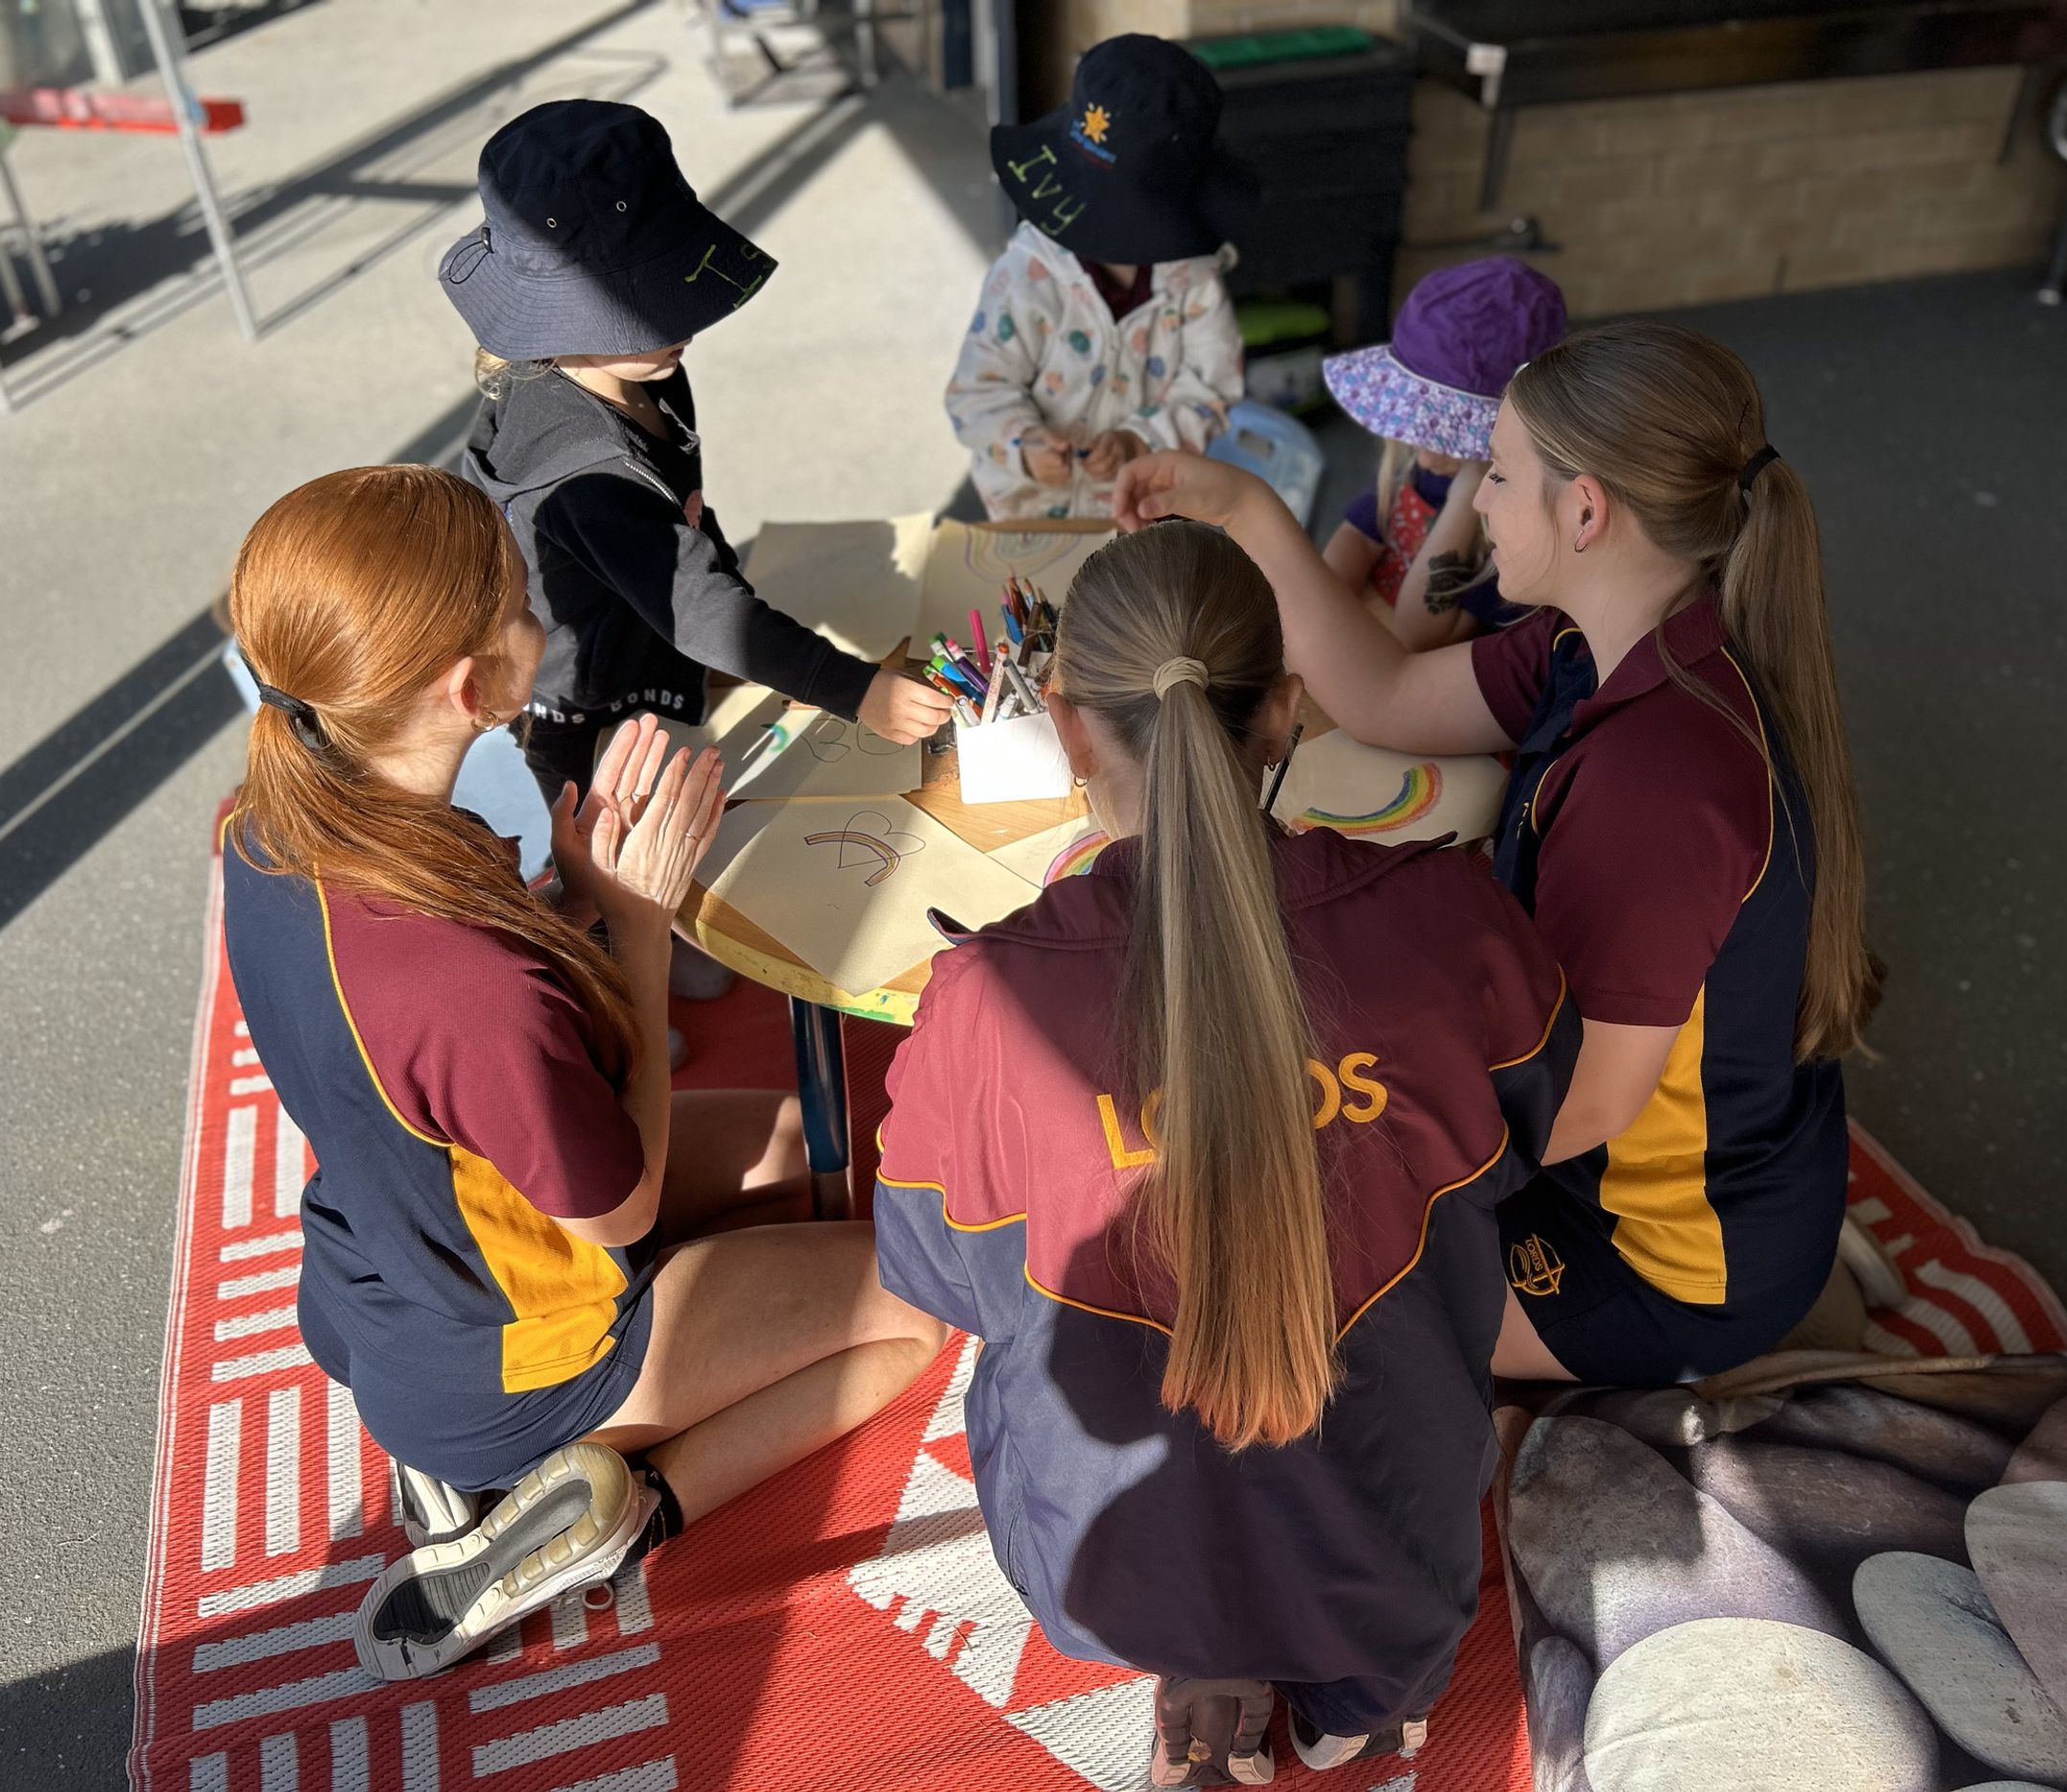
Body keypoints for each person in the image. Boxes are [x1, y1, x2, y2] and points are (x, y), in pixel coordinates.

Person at [872, 523, 1578, 1783]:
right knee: (1426, 1311)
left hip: (1114, 1573)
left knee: (1027, 1342)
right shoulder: (1452, 917)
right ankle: (1368, 1702)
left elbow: (938, 1280)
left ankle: (1200, 1665)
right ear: (1287, 712)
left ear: (1069, 730)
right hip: (1397, 1556)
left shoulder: (980, 1002)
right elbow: (1539, 1138)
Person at [219, 465, 945, 1679]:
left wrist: (574, 900)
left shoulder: (272, 819)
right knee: (916, 1309)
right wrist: (640, 924)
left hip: (388, 1279)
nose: (542, 618)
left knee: (794, 1140)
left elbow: (431, 1041)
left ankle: (478, 1453)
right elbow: (621, 1207)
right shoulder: (463, 984)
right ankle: (620, 1510)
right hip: (512, 1358)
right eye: (520, 604)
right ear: (469, 688)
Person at [1114, 319, 1881, 1387]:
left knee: (1255, 1295)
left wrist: (1332, 1137)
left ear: (1585, 511)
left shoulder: (1654, 788)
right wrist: (1243, 506)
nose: (1475, 503)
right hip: (1698, 1161)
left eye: (1501, 475)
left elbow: (1583, 1106)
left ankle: (1741, 1332)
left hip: (1658, 1259)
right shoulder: (1604, 639)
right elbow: (1383, 692)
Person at [441, 98, 946, 804]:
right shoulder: (585, 473)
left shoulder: (644, 370)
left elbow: (683, 535)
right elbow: (699, 608)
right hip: (590, 716)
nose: (685, 323)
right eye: (658, 305)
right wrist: (854, 689)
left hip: (650, 645)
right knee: (616, 852)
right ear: (572, 319)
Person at [945, 34, 1245, 522]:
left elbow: (1211, 391)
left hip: (1145, 515)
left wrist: (1138, 440)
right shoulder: (1025, 276)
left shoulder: (1195, 283)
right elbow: (976, 392)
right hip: (1031, 516)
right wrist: (1024, 444)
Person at [1319, 258, 1565, 646]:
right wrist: (1325, 607)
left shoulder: (1513, 532)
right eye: (1419, 431)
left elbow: (1418, 634)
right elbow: (1358, 537)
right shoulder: (1415, 466)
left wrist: (1466, 494)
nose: (1425, 459)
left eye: (1450, 442)